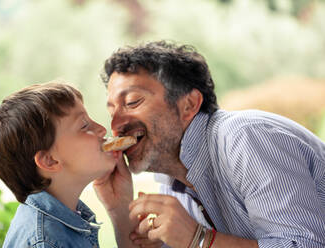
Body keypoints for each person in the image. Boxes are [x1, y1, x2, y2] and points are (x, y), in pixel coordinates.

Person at [100, 41, 325, 248]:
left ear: (189, 104)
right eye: (111, 111)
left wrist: (198, 239)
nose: (115, 125)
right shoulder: (174, 185)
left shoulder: (244, 139)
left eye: (132, 102)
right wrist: (120, 211)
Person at [0, 81, 140, 248]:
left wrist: (121, 209)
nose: (102, 129)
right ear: (50, 161)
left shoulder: (62, 221)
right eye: (84, 125)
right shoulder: (46, 242)